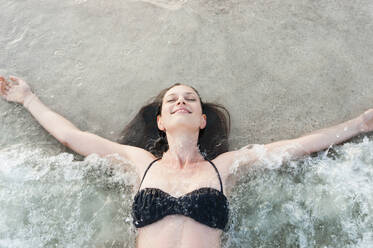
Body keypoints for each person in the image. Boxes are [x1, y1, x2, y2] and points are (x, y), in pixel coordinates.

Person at [1, 74, 373, 248]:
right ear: (161, 121)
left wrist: (359, 124)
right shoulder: (140, 163)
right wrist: (28, 98)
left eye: (191, 99)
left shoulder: (224, 167)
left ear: (202, 120)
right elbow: (74, 138)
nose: (182, 101)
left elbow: (294, 146)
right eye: (173, 99)